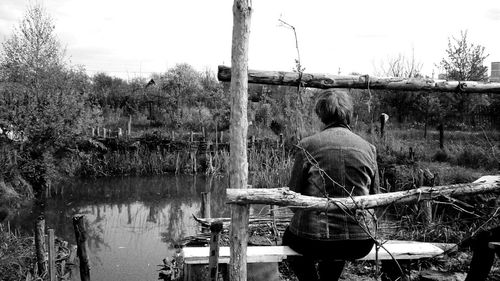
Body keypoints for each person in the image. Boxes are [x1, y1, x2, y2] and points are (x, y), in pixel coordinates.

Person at [283, 89, 380, 281]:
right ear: (349, 114)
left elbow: (293, 199)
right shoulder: (369, 149)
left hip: (312, 240)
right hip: (360, 241)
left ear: (321, 114)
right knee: (337, 249)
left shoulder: (307, 145)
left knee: (289, 240)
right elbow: (375, 199)